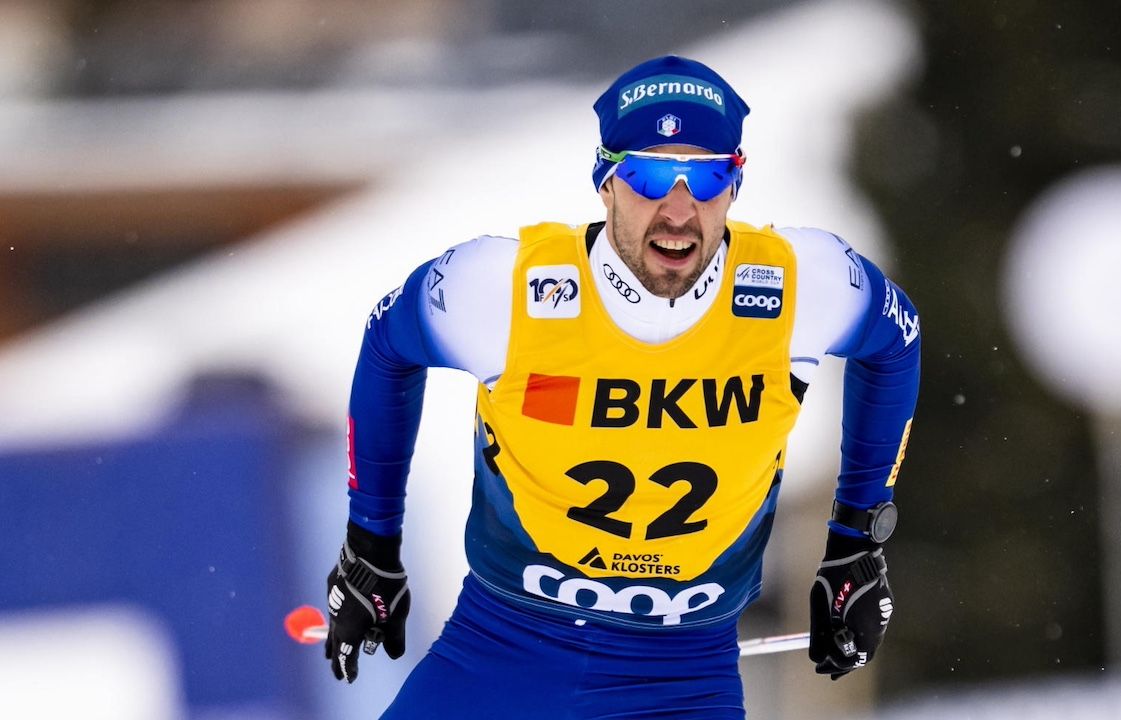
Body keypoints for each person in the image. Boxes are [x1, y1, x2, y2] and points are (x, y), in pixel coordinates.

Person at [324, 55, 920, 719]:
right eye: (649, 174)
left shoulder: (803, 285)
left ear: (736, 183)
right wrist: (370, 542)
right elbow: (388, 344)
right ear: (605, 181)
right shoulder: (503, 288)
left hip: (679, 679)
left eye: (708, 175)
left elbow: (898, 342)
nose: (678, 209)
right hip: (500, 651)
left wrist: (857, 541)